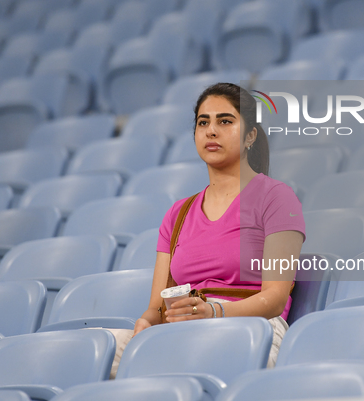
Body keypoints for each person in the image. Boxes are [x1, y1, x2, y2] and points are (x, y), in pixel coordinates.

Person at [110, 82, 305, 376]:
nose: (212, 131)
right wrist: (147, 322)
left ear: (251, 135)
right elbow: (156, 307)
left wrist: (214, 311)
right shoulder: (178, 213)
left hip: (252, 326)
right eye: (204, 123)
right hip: (186, 328)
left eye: (225, 121)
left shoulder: (276, 197)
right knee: (97, 349)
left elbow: (275, 298)